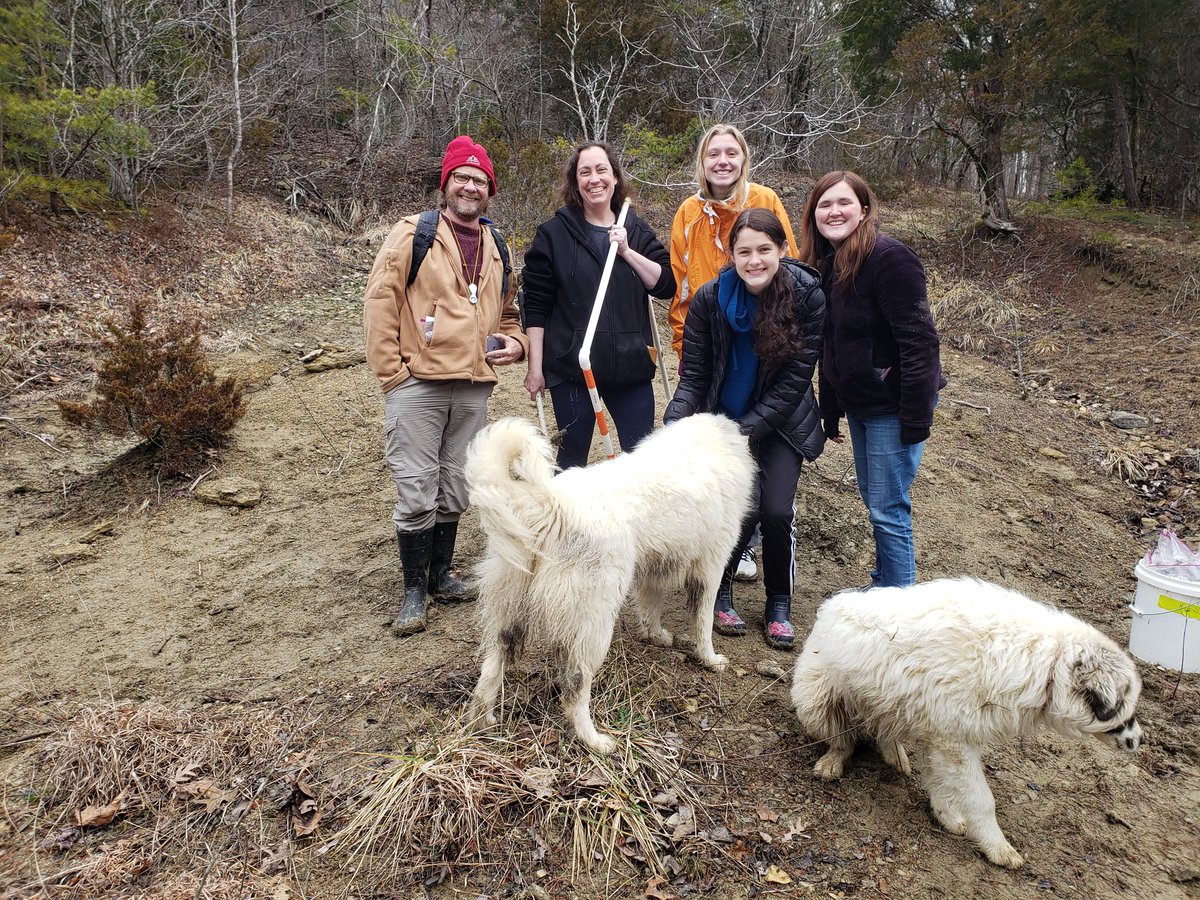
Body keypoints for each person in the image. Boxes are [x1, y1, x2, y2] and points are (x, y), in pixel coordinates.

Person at [363, 135, 528, 635]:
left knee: (457, 484)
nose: (470, 187)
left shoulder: (498, 245)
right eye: (462, 177)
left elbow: (507, 312)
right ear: (446, 183)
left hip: (475, 386)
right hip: (418, 386)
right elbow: (380, 302)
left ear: (489, 190)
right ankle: (414, 589)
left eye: (480, 181)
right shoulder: (412, 234)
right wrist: (393, 375)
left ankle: (440, 574)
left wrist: (517, 343)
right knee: (417, 488)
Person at [664, 208, 826, 650]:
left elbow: (793, 383)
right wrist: (673, 426)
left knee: (774, 511)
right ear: (730, 253)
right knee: (738, 511)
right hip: (723, 419)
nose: (754, 261)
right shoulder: (709, 299)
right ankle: (720, 592)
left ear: (782, 250)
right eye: (744, 251)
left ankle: (779, 604)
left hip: (781, 423)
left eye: (764, 250)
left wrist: (738, 433)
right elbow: (694, 377)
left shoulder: (807, 295)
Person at [797, 170, 943, 589]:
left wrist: (915, 419)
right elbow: (834, 344)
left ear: (863, 209)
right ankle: (886, 581)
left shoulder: (890, 258)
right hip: (861, 403)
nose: (834, 211)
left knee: (887, 507)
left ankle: (898, 601)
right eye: (824, 204)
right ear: (814, 214)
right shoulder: (828, 263)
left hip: (892, 407)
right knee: (877, 501)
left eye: (844, 202)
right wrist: (831, 409)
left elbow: (920, 342)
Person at [668, 124, 797, 582]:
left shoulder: (764, 200)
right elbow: (680, 279)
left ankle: (749, 542)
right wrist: (686, 339)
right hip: (706, 337)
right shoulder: (689, 211)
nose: (722, 161)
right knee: (710, 444)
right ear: (702, 163)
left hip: (764, 337)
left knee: (758, 437)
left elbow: (791, 264)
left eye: (731, 153)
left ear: (743, 158)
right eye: (712, 154)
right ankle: (710, 536)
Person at [522, 141, 674, 469]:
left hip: (631, 368)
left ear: (615, 177)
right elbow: (535, 305)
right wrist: (536, 369)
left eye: (601, 169)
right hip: (571, 369)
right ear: (575, 182)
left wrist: (628, 252)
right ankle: (569, 521)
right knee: (572, 458)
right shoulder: (553, 234)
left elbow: (665, 285)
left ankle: (635, 521)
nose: (595, 179)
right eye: (585, 172)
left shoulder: (634, 227)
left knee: (642, 461)